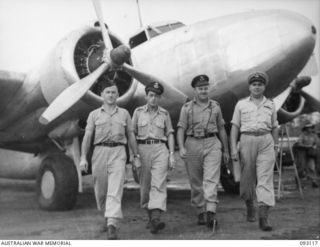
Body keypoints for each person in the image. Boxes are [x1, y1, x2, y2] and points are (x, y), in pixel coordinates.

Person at [79, 81, 141, 240]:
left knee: (115, 188)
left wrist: (135, 156)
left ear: (118, 94)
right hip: (99, 152)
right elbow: (87, 136)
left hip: (119, 152)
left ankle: (112, 224)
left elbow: (131, 135)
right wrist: (83, 158)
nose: (111, 95)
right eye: (108, 92)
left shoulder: (125, 113)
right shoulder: (94, 115)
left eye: (114, 92)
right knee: (101, 190)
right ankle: (107, 216)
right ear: (101, 95)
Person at [177, 74, 230, 229]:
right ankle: (200, 210)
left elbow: (221, 128)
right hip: (192, 143)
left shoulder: (216, 106)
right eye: (200, 88)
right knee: (196, 182)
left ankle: (211, 214)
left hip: (213, 143)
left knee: (211, 180)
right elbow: (181, 128)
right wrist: (181, 147)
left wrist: (225, 149)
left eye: (205, 88)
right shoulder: (186, 108)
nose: (203, 91)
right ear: (195, 90)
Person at [230, 71, 279, 231]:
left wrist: (275, 146)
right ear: (249, 87)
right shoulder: (241, 104)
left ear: (264, 87)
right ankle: (250, 204)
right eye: (254, 84)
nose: (257, 87)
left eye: (260, 84)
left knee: (265, 179)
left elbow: (274, 127)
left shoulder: (271, 105)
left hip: (266, 140)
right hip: (246, 140)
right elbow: (235, 127)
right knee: (247, 181)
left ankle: (263, 218)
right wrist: (233, 148)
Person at [132, 81, 176, 234]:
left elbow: (170, 133)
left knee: (159, 183)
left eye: (157, 96)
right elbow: (131, 134)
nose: (153, 99)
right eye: (151, 95)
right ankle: (151, 218)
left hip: (160, 149)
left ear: (160, 98)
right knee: (145, 186)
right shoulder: (137, 112)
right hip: (143, 149)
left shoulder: (164, 114)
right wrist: (135, 156)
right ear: (146, 96)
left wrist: (171, 154)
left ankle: (156, 217)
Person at [295, 123, 318, 188]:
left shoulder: (314, 136)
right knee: (301, 168)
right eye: (309, 128)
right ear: (306, 129)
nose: (311, 129)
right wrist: (308, 146)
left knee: (312, 167)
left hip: (311, 153)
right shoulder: (302, 136)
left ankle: (314, 181)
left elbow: (316, 143)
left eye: (311, 128)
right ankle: (298, 182)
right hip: (302, 153)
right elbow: (298, 144)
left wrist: (314, 146)